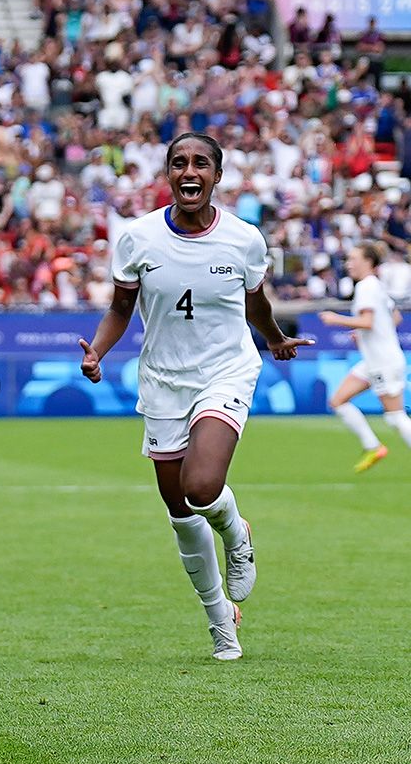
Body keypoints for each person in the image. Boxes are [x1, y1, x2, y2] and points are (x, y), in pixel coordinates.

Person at [78, 133, 312, 661]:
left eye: (201, 163)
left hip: (225, 371)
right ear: (167, 175)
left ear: (217, 176)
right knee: (180, 511)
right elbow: (120, 308)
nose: (190, 171)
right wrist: (97, 351)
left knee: (202, 487)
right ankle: (220, 619)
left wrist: (274, 338)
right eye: (179, 162)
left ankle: (236, 529)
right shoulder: (138, 238)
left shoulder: (244, 239)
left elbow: (256, 301)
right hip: (163, 380)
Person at [320, 242, 411, 472]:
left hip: (383, 361)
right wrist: (367, 332)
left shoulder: (366, 287)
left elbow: (368, 322)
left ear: (368, 262)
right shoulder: (375, 285)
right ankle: (373, 446)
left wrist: (335, 319)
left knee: (395, 417)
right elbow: (395, 317)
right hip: (374, 360)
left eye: (353, 259)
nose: (348, 264)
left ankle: (373, 446)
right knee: (337, 400)